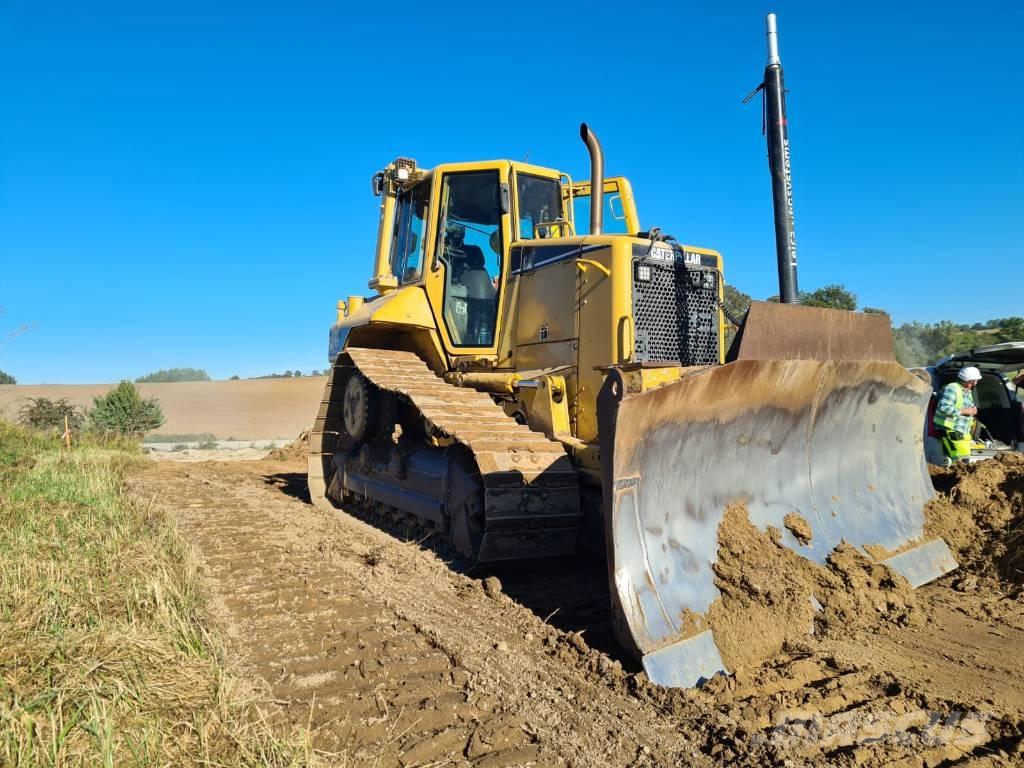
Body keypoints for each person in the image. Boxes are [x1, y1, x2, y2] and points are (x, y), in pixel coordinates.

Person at [932, 366, 982, 463]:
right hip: (953, 430)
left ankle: (956, 475)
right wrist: (965, 411)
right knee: (962, 462)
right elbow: (943, 408)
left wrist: (972, 410)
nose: (976, 383)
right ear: (970, 381)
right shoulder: (952, 389)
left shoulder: (967, 391)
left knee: (959, 460)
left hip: (963, 430)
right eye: (975, 380)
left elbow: (965, 407)